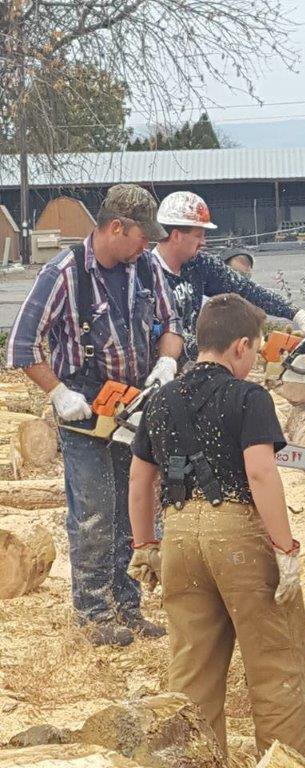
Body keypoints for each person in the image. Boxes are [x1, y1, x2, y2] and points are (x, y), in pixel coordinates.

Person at [127, 294, 305, 761]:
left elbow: (139, 477)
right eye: (255, 349)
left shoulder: (163, 399)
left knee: (191, 672)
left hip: (179, 540)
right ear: (239, 346)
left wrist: (145, 544)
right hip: (237, 540)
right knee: (275, 665)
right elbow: (260, 472)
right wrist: (284, 546)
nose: (255, 359)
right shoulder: (249, 398)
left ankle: (192, 758)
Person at [7, 184, 183, 647]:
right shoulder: (63, 274)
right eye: (142, 235)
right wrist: (59, 391)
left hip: (133, 409)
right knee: (92, 514)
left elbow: (172, 325)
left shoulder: (144, 267)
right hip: (83, 412)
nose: (148, 244)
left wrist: (166, 362)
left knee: (133, 510)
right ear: (116, 228)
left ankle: (128, 606)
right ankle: (93, 614)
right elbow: (22, 346)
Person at [152, 190, 305, 362]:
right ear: (176, 235)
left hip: (195, 364)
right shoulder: (148, 276)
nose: (203, 242)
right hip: (160, 371)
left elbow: (244, 289)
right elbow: (164, 337)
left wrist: (296, 314)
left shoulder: (198, 264)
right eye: (198, 236)